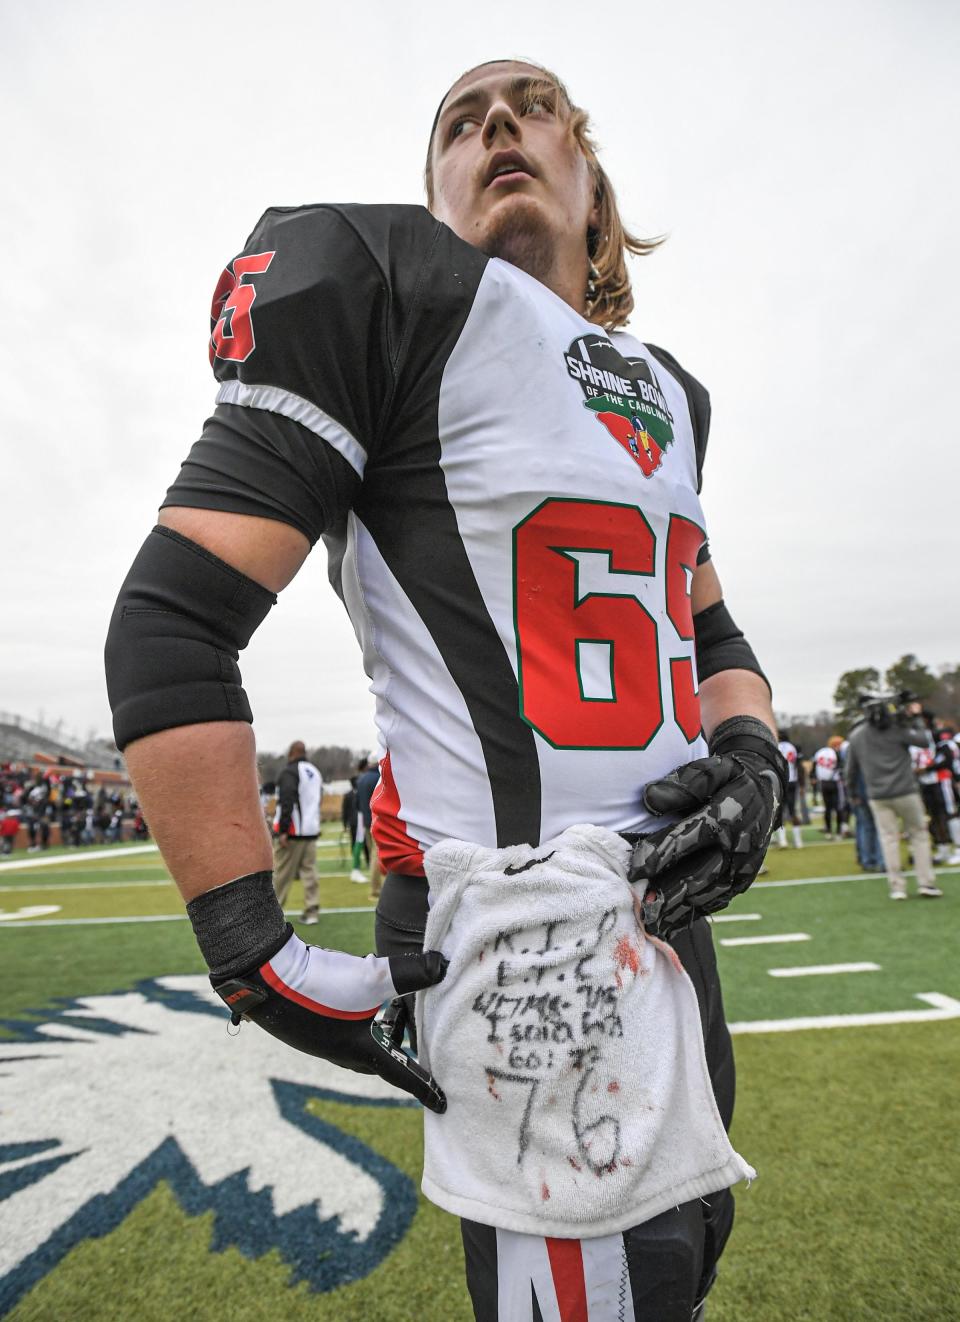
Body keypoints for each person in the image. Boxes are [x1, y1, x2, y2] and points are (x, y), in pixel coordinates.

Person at [104, 59, 787, 1321]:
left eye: (528, 108)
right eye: (459, 125)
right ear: (434, 194)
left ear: (594, 185)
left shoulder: (669, 394)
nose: (492, 128)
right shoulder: (392, 294)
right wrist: (248, 942)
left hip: (669, 905)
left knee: (688, 1249)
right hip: (519, 927)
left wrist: (753, 757)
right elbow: (171, 622)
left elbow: (710, 621)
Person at [845, 694, 942, 900]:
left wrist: (852, 793)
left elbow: (850, 770)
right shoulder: (897, 730)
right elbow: (925, 740)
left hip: (878, 794)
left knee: (889, 839)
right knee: (919, 836)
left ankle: (897, 886)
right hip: (906, 791)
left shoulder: (857, 735)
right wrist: (914, 717)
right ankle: (926, 882)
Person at [272, 741, 323, 924]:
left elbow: (287, 800)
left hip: (293, 832)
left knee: (281, 873)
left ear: (292, 752)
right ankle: (312, 911)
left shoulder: (289, 772)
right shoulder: (315, 772)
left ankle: (273, 916)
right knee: (309, 871)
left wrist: (284, 830)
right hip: (310, 830)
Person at [354, 754, 383, 898]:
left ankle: (376, 888)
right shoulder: (379, 777)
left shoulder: (361, 779)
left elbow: (357, 804)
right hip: (378, 822)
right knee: (376, 857)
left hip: (366, 822)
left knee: (374, 855)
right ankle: (376, 889)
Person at [776, 729, 803, 848]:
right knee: (793, 811)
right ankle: (798, 841)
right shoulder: (794, 747)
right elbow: (799, 766)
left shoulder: (775, 746)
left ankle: (783, 841)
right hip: (793, 781)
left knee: (780, 812)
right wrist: (802, 784)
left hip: (780, 782)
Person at [812, 738, 841, 839]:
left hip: (824, 783)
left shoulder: (820, 752)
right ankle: (838, 831)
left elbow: (814, 767)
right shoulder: (836, 754)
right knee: (837, 807)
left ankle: (828, 830)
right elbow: (840, 766)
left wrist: (814, 778)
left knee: (828, 808)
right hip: (834, 782)